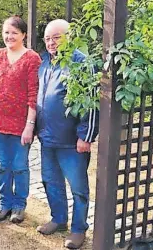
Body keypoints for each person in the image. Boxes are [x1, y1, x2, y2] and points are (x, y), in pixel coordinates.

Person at [35, 19, 98, 249]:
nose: (51, 43)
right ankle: (58, 219)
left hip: (72, 142)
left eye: (56, 37)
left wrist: (86, 136)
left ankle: (79, 229)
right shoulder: (43, 62)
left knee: (78, 188)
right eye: (48, 39)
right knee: (50, 181)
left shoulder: (82, 62)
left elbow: (91, 103)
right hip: (47, 138)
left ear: (68, 37)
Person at [0, 16, 41, 224]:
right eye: (6, 32)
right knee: (2, 165)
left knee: (19, 166)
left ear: (23, 35)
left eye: (14, 33)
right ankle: (4, 203)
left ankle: (18, 205)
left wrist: (29, 126)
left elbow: (34, 94)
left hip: (21, 125)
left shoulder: (32, 58)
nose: (9, 36)